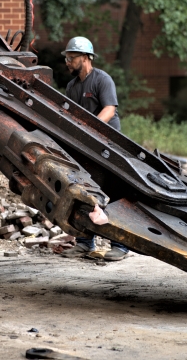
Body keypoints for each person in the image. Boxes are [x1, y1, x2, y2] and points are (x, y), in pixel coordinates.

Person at [60, 36, 129, 261]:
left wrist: (90, 130)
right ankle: (84, 243)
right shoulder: (72, 86)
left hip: (109, 146)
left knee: (115, 192)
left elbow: (109, 109)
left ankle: (120, 245)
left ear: (86, 57)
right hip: (85, 147)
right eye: (67, 58)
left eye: (71, 58)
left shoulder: (102, 80)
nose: (67, 62)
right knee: (85, 191)